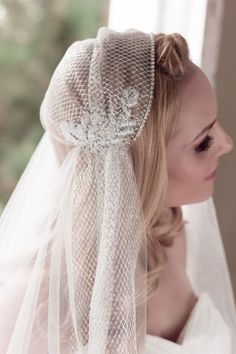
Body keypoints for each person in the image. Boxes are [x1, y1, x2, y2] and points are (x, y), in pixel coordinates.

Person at [0, 27, 235, 354]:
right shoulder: (36, 299)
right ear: (138, 169)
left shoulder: (169, 235)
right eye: (203, 142)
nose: (226, 143)